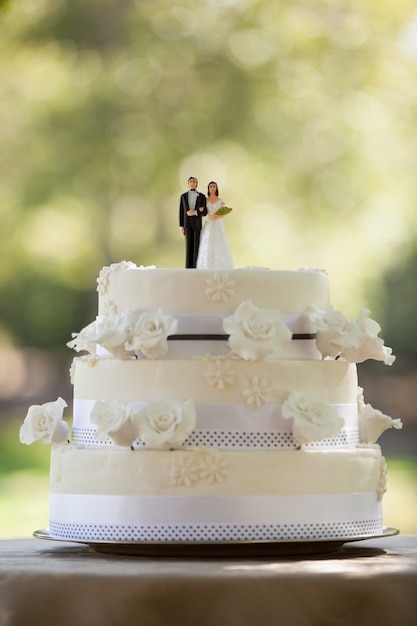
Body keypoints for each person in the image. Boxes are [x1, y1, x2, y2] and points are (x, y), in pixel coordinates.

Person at [196, 181, 234, 270]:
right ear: (208, 189)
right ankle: (206, 265)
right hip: (209, 223)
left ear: (216, 188)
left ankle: (219, 265)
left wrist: (216, 217)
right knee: (207, 242)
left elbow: (223, 214)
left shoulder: (220, 200)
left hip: (217, 224)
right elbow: (203, 211)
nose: (212, 188)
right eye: (210, 187)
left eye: (214, 186)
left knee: (218, 242)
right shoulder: (205, 200)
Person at [179, 176, 208, 268]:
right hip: (187, 224)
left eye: (194, 181)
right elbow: (181, 211)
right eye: (191, 181)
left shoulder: (202, 197)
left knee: (197, 246)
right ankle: (188, 267)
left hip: (197, 224)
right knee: (188, 246)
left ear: (196, 184)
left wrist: (195, 212)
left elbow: (204, 212)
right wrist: (181, 226)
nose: (192, 183)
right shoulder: (183, 196)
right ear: (188, 184)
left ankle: (197, 266)